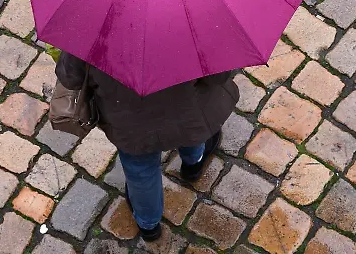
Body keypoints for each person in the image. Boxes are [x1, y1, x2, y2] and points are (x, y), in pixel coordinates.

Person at [54, 51, 239, 242]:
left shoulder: (92, 30)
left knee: (140, 172)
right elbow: (220, 76)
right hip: (186, 112)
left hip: (130, 125)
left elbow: (70, 77)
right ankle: (193, 165)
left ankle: (148, 225)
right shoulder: (195, 28)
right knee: (192, 135)